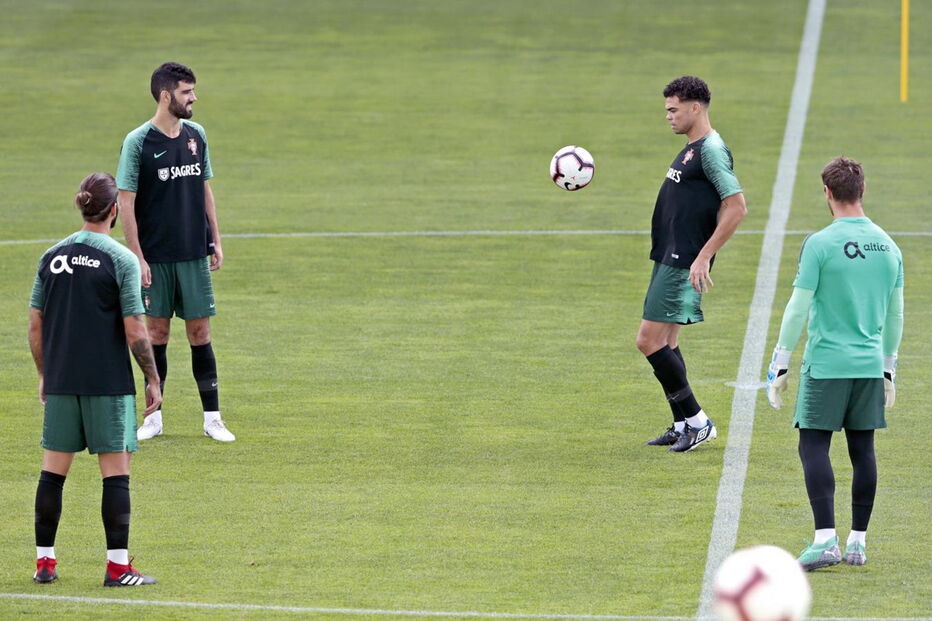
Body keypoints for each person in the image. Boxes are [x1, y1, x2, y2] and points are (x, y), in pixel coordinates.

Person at [766, 157, 903, 571]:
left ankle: (825, 539)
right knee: (863, 450)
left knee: (813, 444)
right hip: (867, 367)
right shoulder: (890, 247)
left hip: (826, 365)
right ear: (862, 191)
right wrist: (889, 368)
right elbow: (896, 315)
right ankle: (858, 543)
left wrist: (780, 360)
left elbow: (798, 307)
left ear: (827, 192)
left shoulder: (820, 244)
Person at [29, 173, 160, 586]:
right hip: (108, 383)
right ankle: (118, 568)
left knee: (52, 474)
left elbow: (35, 325)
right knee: (116, 475)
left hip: (63, 380)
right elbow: (136, 330)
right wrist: (153, 378)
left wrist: (45, 374)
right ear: (114, 211)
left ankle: (45, 564)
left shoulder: (51, 257)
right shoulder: (120, 259)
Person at [116, 61, 234, 442]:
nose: (194, 98)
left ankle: (212, 418)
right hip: (156, 257)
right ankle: (154, 417)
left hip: (193, 254)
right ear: (166, 95)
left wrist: (215, 238)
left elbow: (204, 189)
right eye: (187, 92)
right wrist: (137, 256)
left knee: (200, 332)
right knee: (157, 332)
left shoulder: (196, 135)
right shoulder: (138, 142)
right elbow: (127, 201)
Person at [638, 76, 747, 452]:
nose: (668, 116)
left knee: (648, 341)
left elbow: (736, 207)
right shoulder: (692, 147)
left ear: (695, 107)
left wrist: (703, 256)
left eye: (673, 109)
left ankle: (698, 421)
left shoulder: (712, 150)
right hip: (670, 254)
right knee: (666, 341)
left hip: (683, 259)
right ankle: (682, 422)